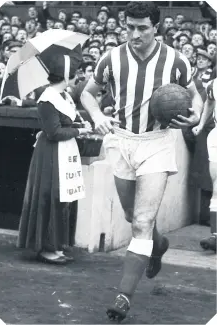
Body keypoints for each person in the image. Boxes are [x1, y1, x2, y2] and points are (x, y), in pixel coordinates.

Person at [81, 1, 203, 321]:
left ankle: (123, 296)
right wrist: (96, 115)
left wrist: (191, 117)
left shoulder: (176, 60)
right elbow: (87, 93)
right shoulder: (111, 58)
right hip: (122, 141)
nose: (135, 34)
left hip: (157, 143)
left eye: (142, 28)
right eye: (130, 27)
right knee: (129, 214)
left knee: (141, 222)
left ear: (156, 27)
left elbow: (197, 101)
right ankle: (157, 245)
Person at [17, 50, 92, 265]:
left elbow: (64, 124)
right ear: (66, 74)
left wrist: (79, 125)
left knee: (63, 199)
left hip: (63, 151)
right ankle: (46, 247)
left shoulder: (64, 95)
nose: (77, 77)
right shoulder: (47, 99)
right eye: (75, 73)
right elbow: (54, 133)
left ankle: (57, 245)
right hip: (50, 154)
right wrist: (80, 132)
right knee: (51, 197)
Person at [192, 78, 217, 252]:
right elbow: (209, 102)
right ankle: (215, 235)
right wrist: (201, 124)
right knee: (216, 185)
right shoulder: (214, 84)